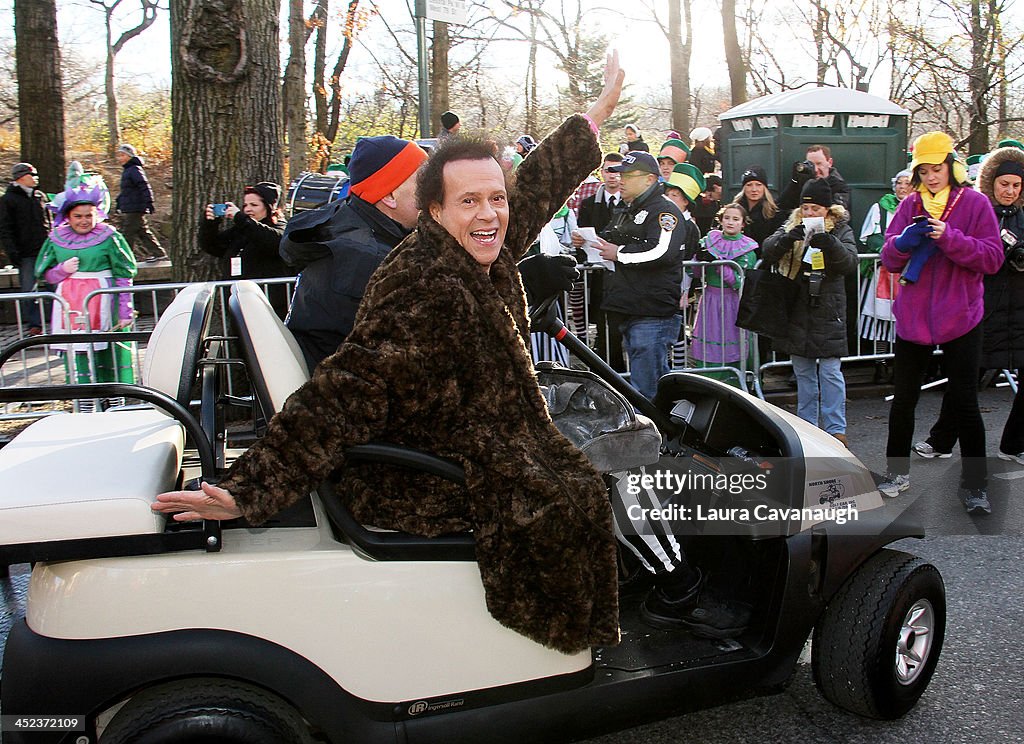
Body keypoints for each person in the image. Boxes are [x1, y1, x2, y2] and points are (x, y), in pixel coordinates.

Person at [154, 54, 748, 650]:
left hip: (458, 432)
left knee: (585, 441)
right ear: (435, 210)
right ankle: (676, 593)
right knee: (604, 472)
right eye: (470, 201)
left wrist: (595, 115)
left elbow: (533, 190)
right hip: (429, 463)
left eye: (497, 198)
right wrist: (249, 490)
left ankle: (644, 575)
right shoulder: (423, 284)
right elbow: (346, 391)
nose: (489, 212)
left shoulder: (462, 245)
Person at [878, 131, 1003, 514]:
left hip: (961, 316)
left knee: (965, 402)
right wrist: (903, 241)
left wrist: (950, 237)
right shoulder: (910, 204)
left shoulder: (976, 203)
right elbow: (888, 257)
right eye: (925, 171)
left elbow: (992, 258)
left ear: (951, 166)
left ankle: (976, 485)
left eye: (938, 168)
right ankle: (896, 474)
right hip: (914, 319)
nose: (932, 177)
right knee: (903, 402)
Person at [913, 145, 1024, 469]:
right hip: (982, 308)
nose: (1010, 191)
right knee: (965, 381)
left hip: (1019, 311)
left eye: (1016, 186)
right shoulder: (978, 211)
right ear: (991, 182)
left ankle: (1014, 443)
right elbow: (966, 251)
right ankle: (941, 440)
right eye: (1005, 184)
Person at [279, 135, 428, 370]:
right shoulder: (372, 261)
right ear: (388, 196)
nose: (434, 193)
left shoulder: (349, 223)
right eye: (424, 183)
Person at [762, 178, 857, 445]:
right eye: (806, 208)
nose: (810, 213)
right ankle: (806, 426)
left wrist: (830, 244)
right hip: (797, 308)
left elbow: (850, 262)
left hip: (828, 309)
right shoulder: (790, 225)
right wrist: (787, 239)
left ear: (827, 209)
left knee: (830, 372)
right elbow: (768, 249)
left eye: (816, 208)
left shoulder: (840, 229)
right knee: (802, 372)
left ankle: (836, 428)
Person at [593, 151, 688, 400]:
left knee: (648, 388)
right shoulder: (625, 209)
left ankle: (658, 434)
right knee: (643, 383)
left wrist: (619, 253)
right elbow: (612, 241)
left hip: (652, 311)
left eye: (627, 175)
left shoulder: (665, 211)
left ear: (649, 179)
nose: (620, 180)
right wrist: (591, 241)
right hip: (628, 306)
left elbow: (661, 251)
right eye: (618, 174)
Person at [34, 184, 137, 384]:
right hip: (71, 304)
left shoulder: (109, 236)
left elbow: (124, 273)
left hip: (106, 299)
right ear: (68, 216)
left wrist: (126, 309)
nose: (84, 221)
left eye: (88, 216)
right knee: (78, 350)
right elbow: (45, 275)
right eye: (78, 216)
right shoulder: (56, 238)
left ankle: (114, 400)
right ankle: (84, 400)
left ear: (96, 214)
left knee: (109, 350)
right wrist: (62, 270)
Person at [199, 182, 292, 319]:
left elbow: (272, 241)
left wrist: (241, 219)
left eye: (254, 205)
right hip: (239, 305)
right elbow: (213, 246)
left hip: (268, 305)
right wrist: (210, 224)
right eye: (245, 206)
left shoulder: (280, 228)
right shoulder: (240, 230)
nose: (248, 209)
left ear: (268, 207)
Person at [689, 203, 758, 386]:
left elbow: (738, 281)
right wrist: (698, 259)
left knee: (731, 340)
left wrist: (718, 264)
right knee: (709, 338)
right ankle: (707, 382)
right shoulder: (710, 240)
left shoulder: (747, 249)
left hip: (732, 302)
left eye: (736, 219)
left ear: (743, 223)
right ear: (721, 220)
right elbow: (694, 274)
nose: (730, 222)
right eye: (727, 218)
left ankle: (734, 382)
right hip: (710, 299)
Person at [572, 152, 626, 367]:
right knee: (602, 321)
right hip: (598, 274)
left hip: (624, 272)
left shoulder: (631, 203)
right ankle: (606, 365)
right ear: (601, 172)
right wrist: (578, 241)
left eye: (617, 170)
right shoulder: (588, 204)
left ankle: (618, 367)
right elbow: (582, 234)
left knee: (620, 323)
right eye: (608, 170)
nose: (612, 175)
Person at [0, 163, 51, 335]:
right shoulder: (8, 200)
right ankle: (35, 324)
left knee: (56, 284)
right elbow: (5, 228)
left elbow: (48, 222)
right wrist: (12, 251)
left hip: (46, 250)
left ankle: (61, 317)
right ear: (20, 177)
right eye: (32, 174)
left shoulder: (39, 196)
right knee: (29, 289)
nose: (36, 177)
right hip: (25, 252)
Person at [115, 143, 168, 264]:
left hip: (136, 207)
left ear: (129, 156)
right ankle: (159, 253)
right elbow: (127, 191)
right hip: (131, 206)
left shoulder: (134, 169)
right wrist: (119, 202)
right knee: (141, 231)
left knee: (128, 232)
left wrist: (149, 202)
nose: (120, 158)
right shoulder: (128, 170)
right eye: (119, 155)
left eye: (122, 155)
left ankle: (125, 257)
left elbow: (144, 186)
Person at [732, 165, 786, 255]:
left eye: (758, 185)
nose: (754, 189)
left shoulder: (774, 213)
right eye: (749, 185)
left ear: (764, 188)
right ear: (743, 188)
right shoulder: (734, 209)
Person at [779, 144, 851, 212]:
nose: (816, 169)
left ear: (830, 162)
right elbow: (780, 207)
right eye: (811, 165)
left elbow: (835, 213)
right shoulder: (804, 181)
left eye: (819, 164)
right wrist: (794, 182)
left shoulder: (839, 186)